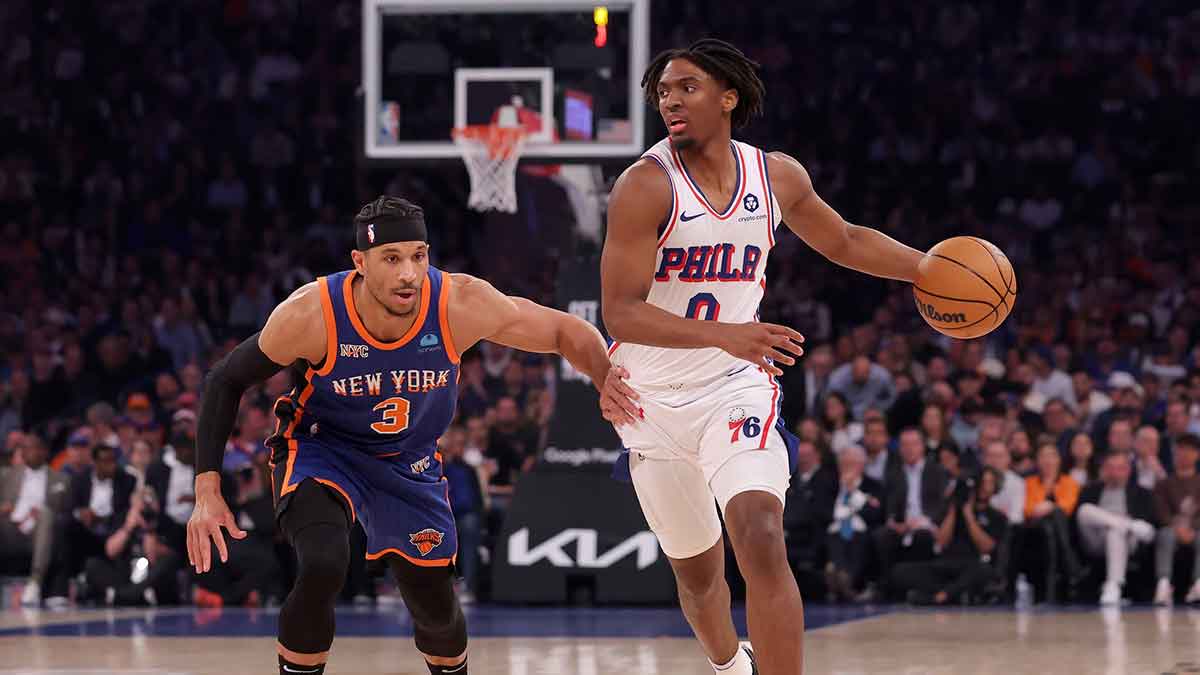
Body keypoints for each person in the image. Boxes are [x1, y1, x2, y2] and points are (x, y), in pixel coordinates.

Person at [187, 196, 632, 675]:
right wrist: (206, 490)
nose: (409, 274)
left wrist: (605, 378)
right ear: (359, 262)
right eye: (392, 259)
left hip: (408, 461)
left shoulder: (460, 304)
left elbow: (566, 331)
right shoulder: (311, 314)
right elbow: (225, 379)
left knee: (437, 613)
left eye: (419, 255)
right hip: (322, 448)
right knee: (323, 563)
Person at [602, 38, 926, 675]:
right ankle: (730, 665)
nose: (670, 100)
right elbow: (620, 311)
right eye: (663, 91)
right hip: (649, 401)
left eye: (686, 87)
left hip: (734, 386)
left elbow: (846, 240)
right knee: (699, 584)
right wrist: (727, 331)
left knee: (760, 535)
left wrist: (925, 267)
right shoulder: (644, 185)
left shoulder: (775, 175)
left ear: (728, 98)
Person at [891, 467, 1009, 605]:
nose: (984, 486)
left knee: (984, 571)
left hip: (972, 565)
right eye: (981, 482)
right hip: (945, 565)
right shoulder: (951, 512)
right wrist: (954, 507)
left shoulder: (998, 516)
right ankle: (956, 593)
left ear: (996, 487)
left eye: (989, 482)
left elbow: (986, 547)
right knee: (899, 571)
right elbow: (942, 541)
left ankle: (940, 596)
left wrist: (968, 514)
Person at [1076, 452, 1157, 606]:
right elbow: (1080, 519)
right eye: (1110, 468)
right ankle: (1125, 524)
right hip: (1096, 540)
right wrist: (1127, 523)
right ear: (1103, 470)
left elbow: (1148, 525)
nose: (1114, 473)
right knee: (1085, 510)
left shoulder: (1141, 493)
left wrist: (1119, 527)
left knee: (1114, 531)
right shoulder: (1090, 490)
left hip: (1127, 541)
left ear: (1128, 470)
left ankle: (1113, 585)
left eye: (1119, 468)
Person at [1024, 441, 1086, 602]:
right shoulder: (1028, 483)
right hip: (1032, 532)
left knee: (1053, 522)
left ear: (1059, 460)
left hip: (1061, 529)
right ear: (1037, 460)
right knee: (1047, 524)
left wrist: (1050, 506)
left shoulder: (1069, 482)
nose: (1048, 460)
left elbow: (1069, 507)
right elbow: (1028, 510)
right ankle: (1071, 565)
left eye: (1052, 455)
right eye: (1043, 456)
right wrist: (1048, 508)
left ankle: (1059, 572)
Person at [824, 445, 883, 602]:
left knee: (858, 540)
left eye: (852, 464)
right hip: (834, 530)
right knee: (835, 538)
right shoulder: (830, 485)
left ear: (862, 465)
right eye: (845, 464)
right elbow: (823, 512)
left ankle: (843, 578)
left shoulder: (873, 486)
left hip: (861, 530)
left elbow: (874, 514)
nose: (848, 468)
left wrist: (853, 492)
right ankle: (842, 577)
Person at [1153, 433, 1200, 605]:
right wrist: (1176, 526)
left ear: (1197, 454)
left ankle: (1198, 583)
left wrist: (1192, 528)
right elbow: (1160, 511)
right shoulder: (1164, 483)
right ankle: (1163, 583)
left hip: (1196, 530)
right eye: (1180, 450)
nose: (1184, 454)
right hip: (1171, 528)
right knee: (1165, 535)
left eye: (1189, 450)